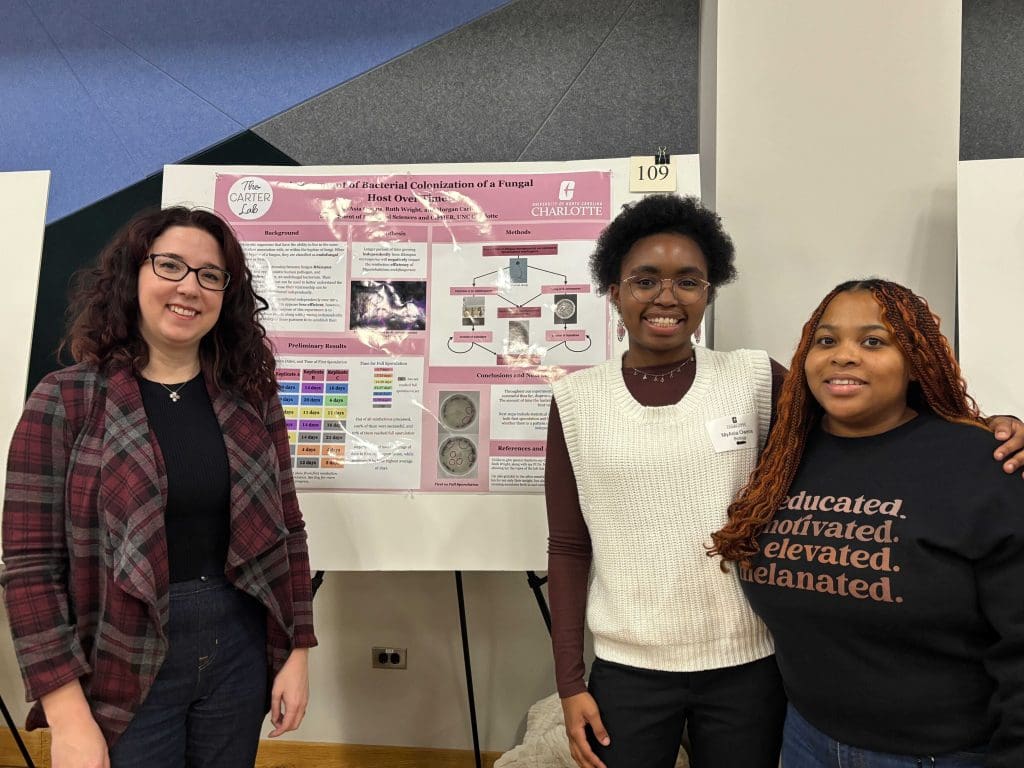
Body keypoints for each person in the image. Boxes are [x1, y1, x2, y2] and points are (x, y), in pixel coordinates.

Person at [545, 196, 1024, 768]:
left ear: (709, 291)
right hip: (632, 665)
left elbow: (863, 418)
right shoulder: (575, 399)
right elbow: (570, 546)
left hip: (751, 664)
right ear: (614, 289)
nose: (666, 297)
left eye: (689, 281)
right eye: (645, 279)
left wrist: (988, 427)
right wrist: (570, 681)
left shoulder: (751, 377)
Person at [2, 207, 317, 768]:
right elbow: (29, 567)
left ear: (226, 294)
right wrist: (68, 715)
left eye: (209, 275)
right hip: (122, 651)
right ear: (133, 274)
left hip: (238, 649)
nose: (189, 287)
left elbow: (288, 528)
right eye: (170, 266)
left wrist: (297, 650)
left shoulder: (251, 397)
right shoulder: (65, 400)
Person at [711, 279, 1024, 768]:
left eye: (873, 341)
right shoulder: (783, 457)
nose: (844, 356)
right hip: (805, 739)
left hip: (942, 754)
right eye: (826, 340)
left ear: (915, 364)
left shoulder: (983, 463)